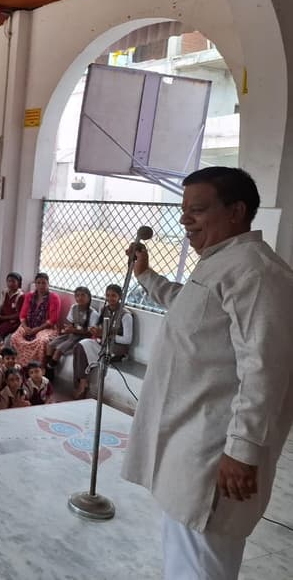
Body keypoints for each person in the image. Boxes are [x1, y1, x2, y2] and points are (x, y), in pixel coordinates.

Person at [120, 167, 293, 579]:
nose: (185, 221)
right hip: (191, 442)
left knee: (201, 562)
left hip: (215, 452)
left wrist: (243, 450)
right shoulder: (222, 262)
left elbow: (264, 366)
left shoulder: (256, 272)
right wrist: (146, 277)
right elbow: (189, 306)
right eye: (183, 211)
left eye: (197, 210)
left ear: (236, 211)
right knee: (185, 552)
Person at [70, 284, 133, 399]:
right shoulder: (104, 309)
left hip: (116, 348)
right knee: (79, 346)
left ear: (120, 297)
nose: (110, 299)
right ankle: (82, 382)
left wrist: (106, 335)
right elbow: (99, 328)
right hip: (103, 343)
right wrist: (94, 330)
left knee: (86, 351)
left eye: (114, 296)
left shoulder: (126, 315)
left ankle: (83, 387)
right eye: (108, 295)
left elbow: (127, 340)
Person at [45, 286, 99, 382]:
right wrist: (68, 329)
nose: (80, 298)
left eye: (83, 295)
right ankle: (49, 365)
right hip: (71, 334)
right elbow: (70, 322)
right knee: (50, 345)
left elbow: (90, 331)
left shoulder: (93, 313)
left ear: (89, 297)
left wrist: (74, 330)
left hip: (82, 338)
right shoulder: (74, 308)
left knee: (58, 349)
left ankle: (49, 371)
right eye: (77, 295)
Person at [9, 273, 60, 367]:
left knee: (41, 341)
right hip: (28, 325)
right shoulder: (29, 296)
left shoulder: (54, 298)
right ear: (35, 284)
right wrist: (25, 327)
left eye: (44, 283)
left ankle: (36, 367)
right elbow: (22, 315)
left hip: (47, 328)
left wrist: (37, 329)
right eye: (38, 283)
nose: (41, 286)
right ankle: (18, 364)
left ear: (48, 284)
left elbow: (53, 319)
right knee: (15, 337)